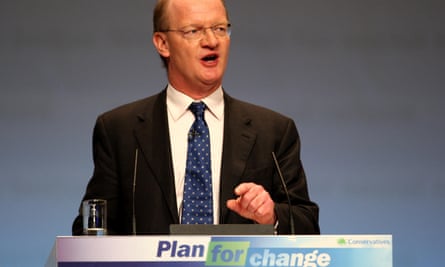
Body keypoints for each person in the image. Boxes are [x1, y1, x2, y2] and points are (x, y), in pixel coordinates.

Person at [72, 0, 319, 235]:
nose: (212, 41)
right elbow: (90, 227)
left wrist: (271, 216)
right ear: (162, 43)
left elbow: (307, 224)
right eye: (193, 31)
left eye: (220, 29)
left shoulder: (274, 131)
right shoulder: (120, 131)